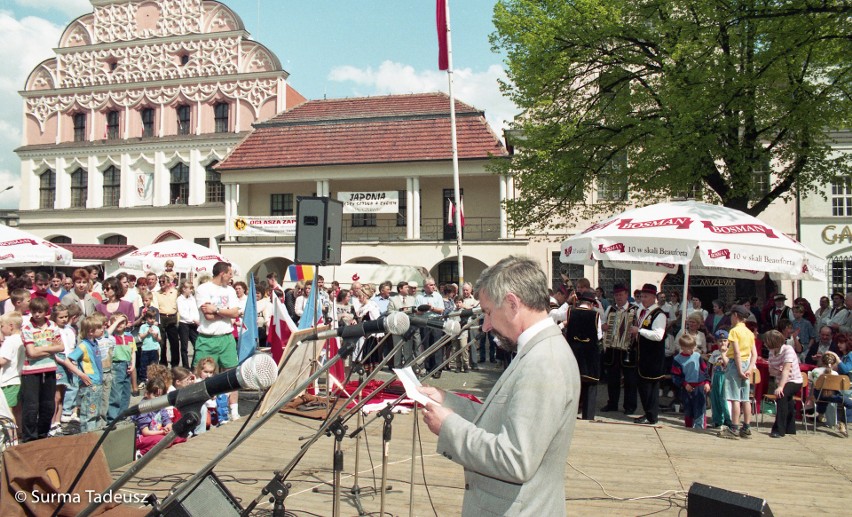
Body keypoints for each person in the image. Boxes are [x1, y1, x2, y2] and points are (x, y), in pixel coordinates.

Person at [418, 256, 580, 517]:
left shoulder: (543, 361)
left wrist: (449, 426)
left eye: (489, 312)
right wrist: (447, 400)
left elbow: (516, 460)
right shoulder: (536, 351)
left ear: (513, 303)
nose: (486, 325)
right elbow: (502, 417)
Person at [194, 261, 240, 421]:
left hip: (227, 337)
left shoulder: (231, 290)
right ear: (222, 273)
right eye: (229, 274)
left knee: (232, 374)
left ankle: (233, 411)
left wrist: (218, 310)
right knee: (202, 376)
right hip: (207, 338)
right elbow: (208, 315)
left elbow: (236, 313)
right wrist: (226, 313)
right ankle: (202, 412)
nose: (231, 277)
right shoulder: (203, 289)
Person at [20, 297, 65, 442]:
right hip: (31, 371)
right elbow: (31, 353)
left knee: (48, 405)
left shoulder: (52, 325)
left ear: (46, 312)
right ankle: (29, 437)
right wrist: (51, 349)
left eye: (40, 312)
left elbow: (61, 347)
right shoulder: (27, 329)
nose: (37, 315)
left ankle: (42, 434)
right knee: (31, 406)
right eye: (34, 311)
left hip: (49, 369)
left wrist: (41, 349)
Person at [718, 305, 757, 439]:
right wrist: (749, 368)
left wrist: (740, 370)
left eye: (731, 316)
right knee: (745, 398)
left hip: (736, 364)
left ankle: (734, 427)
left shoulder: (734, 331)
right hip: (747, 364)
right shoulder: (750, 333)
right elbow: (755, 354)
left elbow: (736, 352)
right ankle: (746, 427)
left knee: (735, 398)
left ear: (735, 315)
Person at [630, 284, 667, 425]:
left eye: (645, 296)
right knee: (643, 386)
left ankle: (652, 416)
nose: (642, 299)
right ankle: (647, 413)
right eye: (641, 296)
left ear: (653, 297)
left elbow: (658, 335)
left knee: (651, 388)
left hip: (653, 357)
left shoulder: (659, 314)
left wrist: (638, 331)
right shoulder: (641, 311)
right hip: (642, 355)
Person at [600, 283, 638, 414]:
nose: (618, 298)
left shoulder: (635, 309)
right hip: (613, 349)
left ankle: (630, 406)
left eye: (621, 295)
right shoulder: (610, 309)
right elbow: (603, 323)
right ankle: (612, 404)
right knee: (612, 379)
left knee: (630, 380)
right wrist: (604, 327)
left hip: (628, 349)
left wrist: (635, 332)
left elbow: (639, 327)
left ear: (627, 295)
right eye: (616, 295)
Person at [565, 292, 602, 420]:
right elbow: (599, 336)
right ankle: (588, 415)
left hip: (573, 355)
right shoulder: (595, 315)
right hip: (589, 356)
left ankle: (570, 414)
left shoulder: (571, 312)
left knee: (573, 385)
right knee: (590, 386)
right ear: (591, 304)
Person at [67, 314, 107, 433]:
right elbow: (68, 360)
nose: (102, 330)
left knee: (96, 412)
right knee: (88, 414)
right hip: (89, 385)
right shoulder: (83, 345)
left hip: (97, 383)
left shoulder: (95, 343)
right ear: (90, 331)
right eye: (99, 328)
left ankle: (95, 436)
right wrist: (81, 374)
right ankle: (88, 438)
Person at [764, 329, 804, 438]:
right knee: (788, 402)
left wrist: (781, 387)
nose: (765, 343)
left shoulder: (788, 350)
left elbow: (786, 369)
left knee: (782, 396)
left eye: (767, 341)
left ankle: (778, 429)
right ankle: (790, 428)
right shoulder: (771, 352)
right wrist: (778, 372)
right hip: (780, 379)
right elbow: (771, 371)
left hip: (794, 380)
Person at [132, 378, 185, 456]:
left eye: (160, 396)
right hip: (141, 438)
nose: (157, 399)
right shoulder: (144, 408)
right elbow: (145, 432)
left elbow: (167, 420)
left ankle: (165, 445)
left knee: (181, 436)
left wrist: (168, 427)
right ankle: (140, 453)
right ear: (147, 394)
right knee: (164, 441)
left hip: (157, 433)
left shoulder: (160, 405)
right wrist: (163, 432)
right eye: (155, 395)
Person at [671, 334, 711, 429]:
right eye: (689, 348)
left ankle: (700, 427)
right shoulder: (677, 359)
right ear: (683, 348)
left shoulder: (697, 356)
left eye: (693, 348)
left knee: (700, 408)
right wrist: (684, 384)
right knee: (688, 408)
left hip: (700, 386)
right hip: (687, 387)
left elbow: (705, 371)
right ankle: (688, 427)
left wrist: (707, 382)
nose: (692, 350)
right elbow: (675, 376)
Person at [106, 314, 135, 423]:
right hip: (116, 365)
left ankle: (123, 415)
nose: (119, 324)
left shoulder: (129, 336)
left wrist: (133, 364)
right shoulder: (111, 337)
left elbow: (133, 352)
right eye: (117, 322)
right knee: (116, 393)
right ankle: (112, 417)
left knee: (126, 392)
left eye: (122, 322)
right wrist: (117, 321)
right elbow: (107, 333)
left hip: (127, 364)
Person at [0, 311, 25, 427]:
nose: (1, 329)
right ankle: (19, 432)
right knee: (17, 409)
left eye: (1, 326)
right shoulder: (21, 339)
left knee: (7, 412)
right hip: (17, 379)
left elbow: (2, 360)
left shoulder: (9, 341)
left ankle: (12, 435)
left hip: (8, 381)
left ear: (11, 326)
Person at [708, 330, 731, 429]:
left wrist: (723, 353)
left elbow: (727, 365)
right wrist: (711, 381)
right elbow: (712, 367)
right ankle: (717, 420)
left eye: (725, 340)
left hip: (725, 376)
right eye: (720, 341)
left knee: (724, 399)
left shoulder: (730, 352)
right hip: (716, 376)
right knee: (715, 399)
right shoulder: (714, 353)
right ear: (716, 342)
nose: (723, 343)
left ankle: (728, 420)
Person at [137, 308, 162, 389]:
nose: (152, 320)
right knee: (144, 365)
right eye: (150, 318)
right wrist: (147, 333)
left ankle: (154, 380)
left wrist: (156, 336)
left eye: (154, 318)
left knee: (154, 365)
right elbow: (140, 337)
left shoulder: (156, 328)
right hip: (145, 349)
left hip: (154, 349)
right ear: (146, 318)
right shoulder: (143, 326)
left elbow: (159, 339)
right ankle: (143, 380)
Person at [176, 280, 199, 368]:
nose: (191, 290)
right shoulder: (180, 299)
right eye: (190, 288)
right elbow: (182, 314)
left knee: (197, 345)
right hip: (184, 324)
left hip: (193, 325)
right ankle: (186, 366)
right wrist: (193, 320)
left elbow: (195, 311)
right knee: (184, 347)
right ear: (184, 289)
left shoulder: (192, 298)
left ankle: (194, 365)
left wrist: (196, 320)